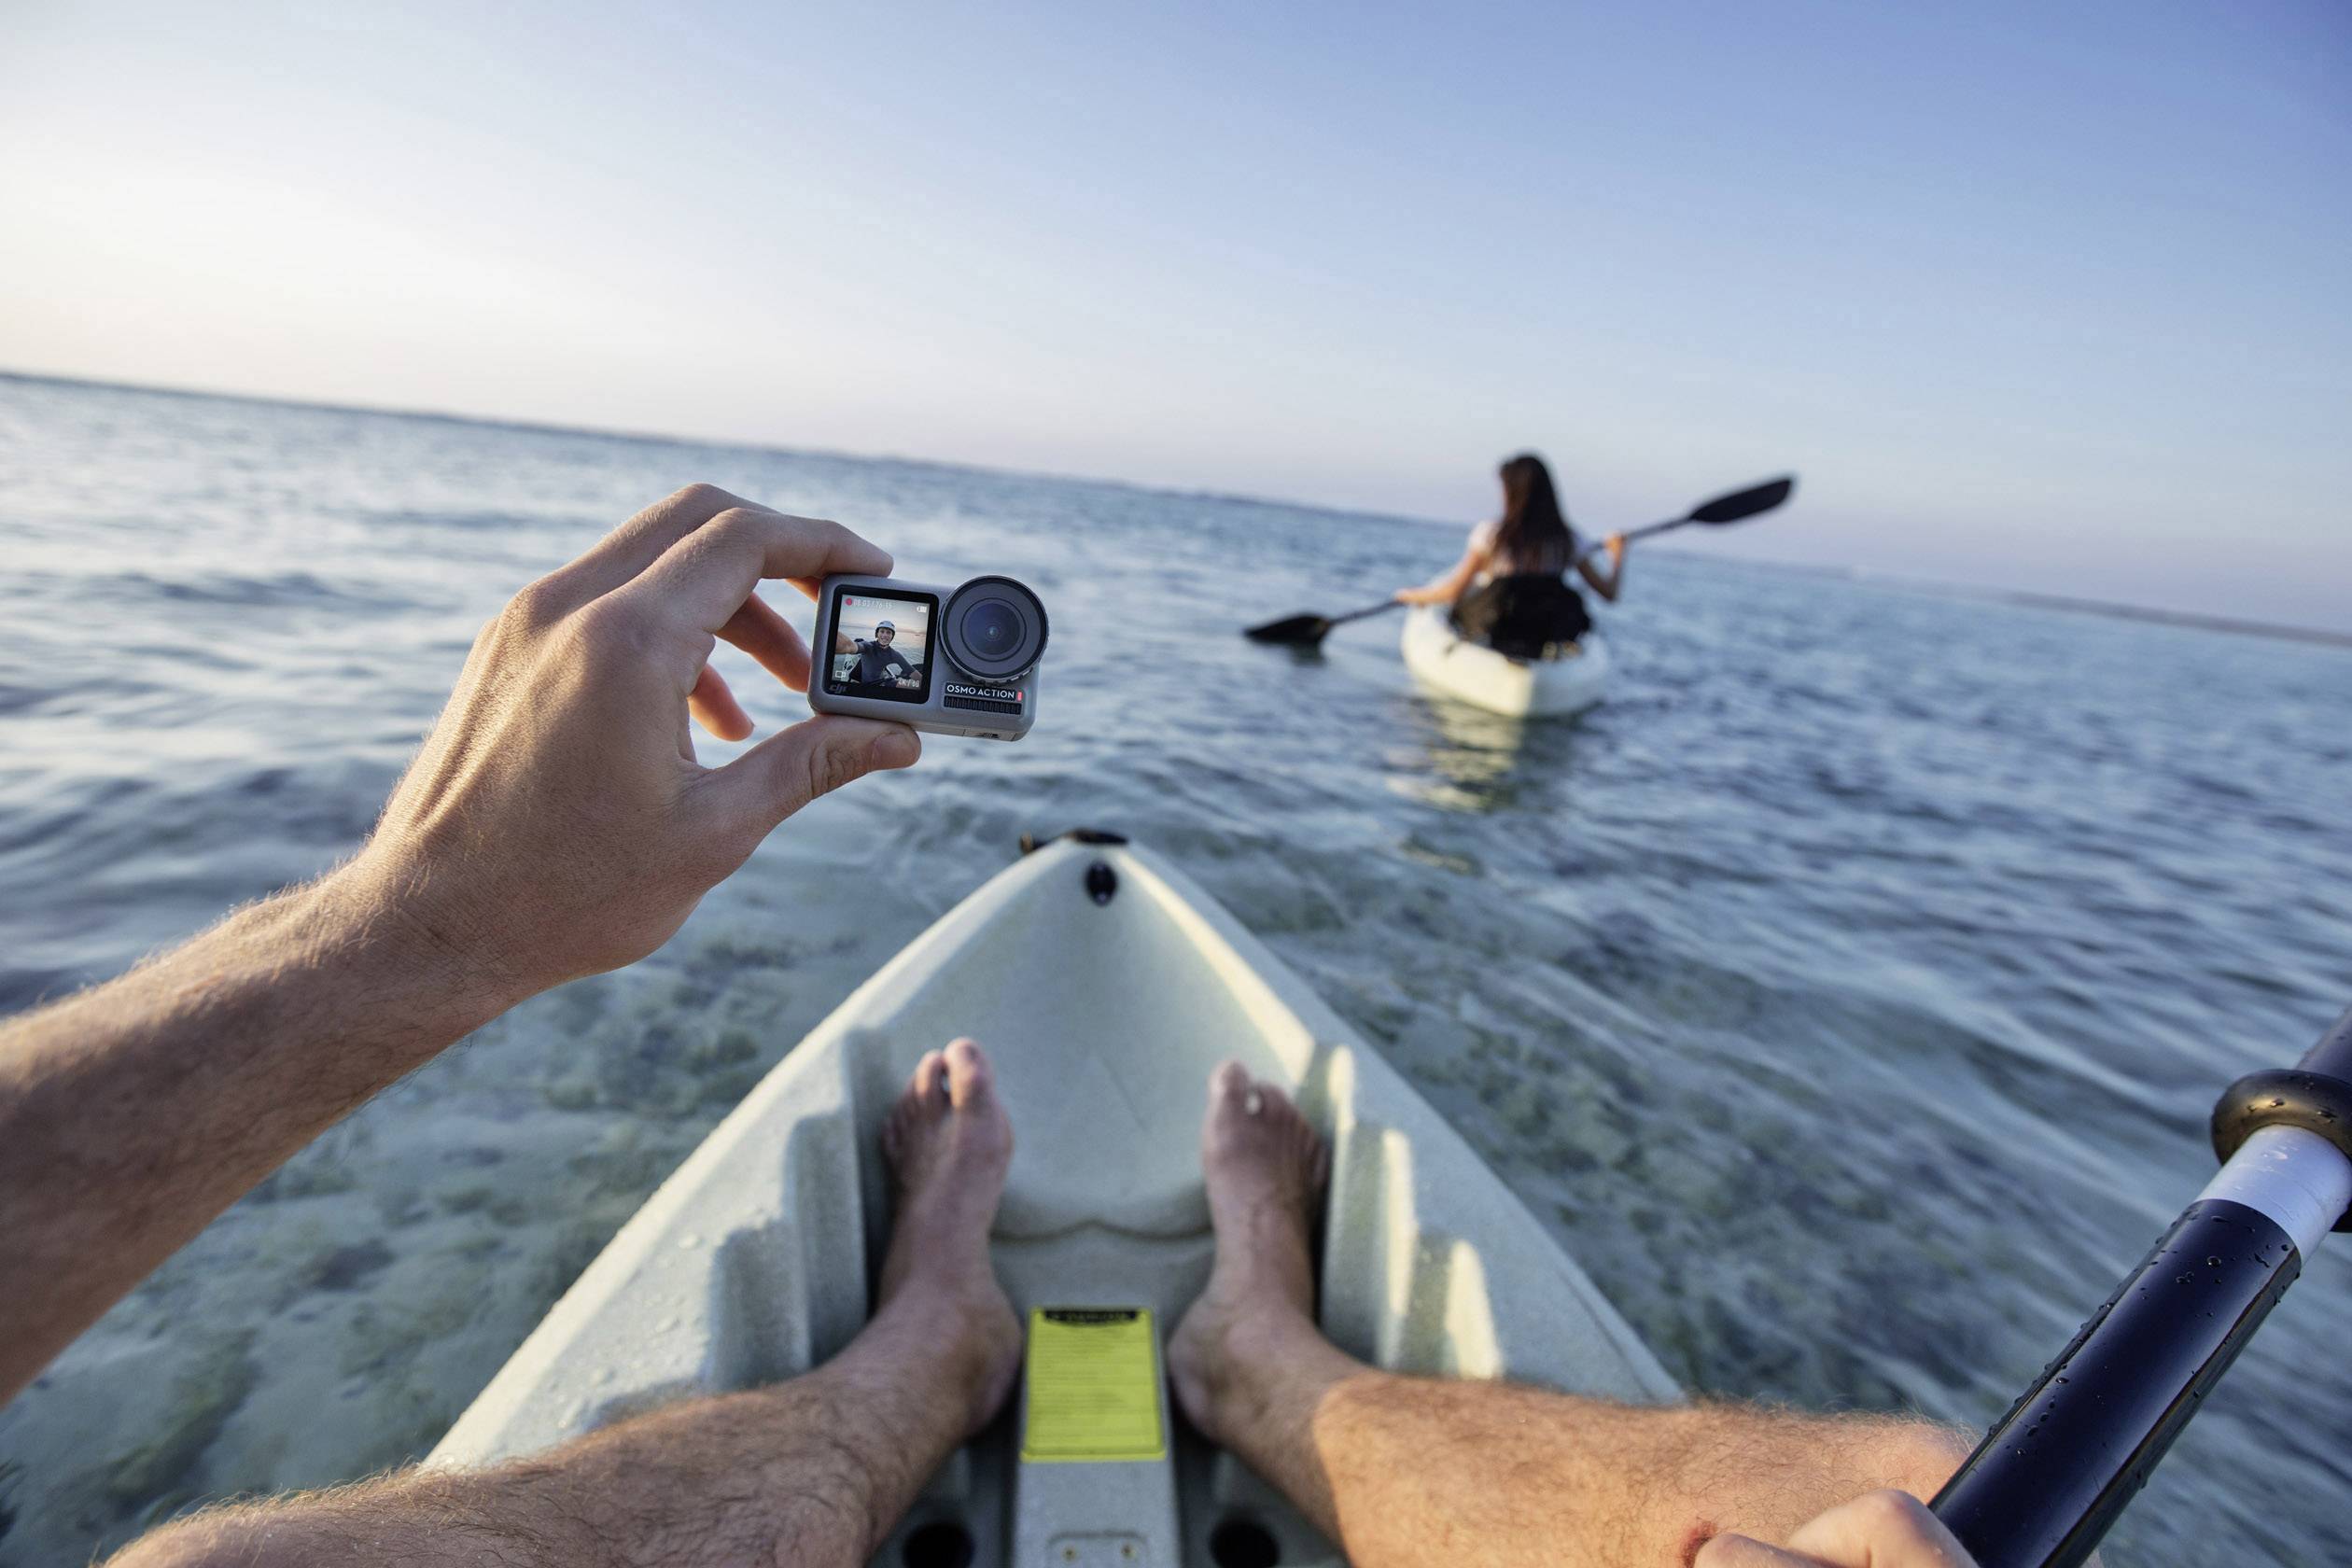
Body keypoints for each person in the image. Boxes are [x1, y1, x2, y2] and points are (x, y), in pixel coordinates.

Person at [0, 484, 1979, 1567]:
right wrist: (397, 934)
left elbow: (1462, 584)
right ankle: (1238, 1360)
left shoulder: (1486, 559)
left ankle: (966, 1357)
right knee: (1912, 1479)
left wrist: (398, 929)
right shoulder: (1557, 568)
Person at [1395, 453, 1628, 658]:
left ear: (1511, 491)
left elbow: (1453, 592)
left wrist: (1414, 596)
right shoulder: (1567, 540)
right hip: (1545, 630)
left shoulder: (1492, 536)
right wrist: (1617, 554)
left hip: (1499, 625)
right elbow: (1609, 594)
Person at [834, 617, 917, 688]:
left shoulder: (894, 654)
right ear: (877, 634)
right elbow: (849, 646)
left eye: (888, 632)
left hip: (883, 683)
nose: (885, 635)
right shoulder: (868, 646)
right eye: (882, 631)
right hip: (865, 684)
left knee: (908, 686)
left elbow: (913, 673)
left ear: (892, 636)